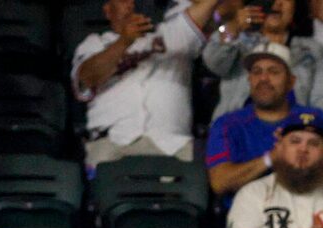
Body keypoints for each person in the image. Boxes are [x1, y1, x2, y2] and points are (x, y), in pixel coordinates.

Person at [70, 0, 219, 168]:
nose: (131, 4)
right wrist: (124, 41)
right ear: (108, 10)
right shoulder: (94, 43)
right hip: (113, 142)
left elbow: (206, 6)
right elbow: (88, 77)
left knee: (197, 175)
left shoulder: (171, 34)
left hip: (174, 144)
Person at [208, 43, 319, 201]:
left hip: (305, 209)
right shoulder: (227, 124)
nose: (263, 78)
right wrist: (271, 158)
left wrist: (299, 155)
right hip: (248, 216)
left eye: (273, 72)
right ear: (249, 79)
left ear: (291, 82)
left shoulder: (315, 119)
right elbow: (219, 182)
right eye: (256, 72)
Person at [204, 0, 323, 122]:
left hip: (293, 135)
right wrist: (232, 27)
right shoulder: (238, 38)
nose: (277, 4)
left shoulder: (311, 50)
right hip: (236, 131)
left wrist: (311, 130)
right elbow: (214, 64)